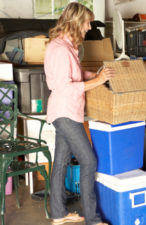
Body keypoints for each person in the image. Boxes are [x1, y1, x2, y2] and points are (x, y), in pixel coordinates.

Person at [44, 2, 114, 225]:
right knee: (89, 161)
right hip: (64, 112)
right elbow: (64, 86)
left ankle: (58, 214)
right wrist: (97, 81)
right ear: (76, 22)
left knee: (61, 162)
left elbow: (72, 74)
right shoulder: (59, 49)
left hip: (69, 112)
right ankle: (93, 220)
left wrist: (92, 74)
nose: (88, 27)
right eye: (86, 23)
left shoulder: (68, 47)